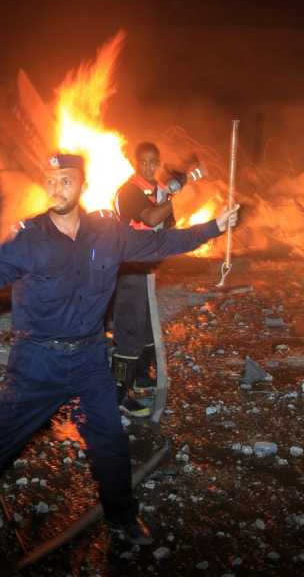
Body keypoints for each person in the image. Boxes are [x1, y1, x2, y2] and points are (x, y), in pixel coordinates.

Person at [0, 152, 239, 554]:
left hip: (89, 360)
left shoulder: (109, 232)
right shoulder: (29, 237)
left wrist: (213, 227)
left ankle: (122, 516)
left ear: (84, 186)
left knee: (110, 443)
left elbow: (159, 240)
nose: (57, 187)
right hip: (38, 362)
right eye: (51, 181)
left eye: (66, 180)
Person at [111, 142, 200, 417]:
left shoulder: (160, 190)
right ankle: (117, 396)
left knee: (148, 328)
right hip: (128, 270)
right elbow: (150, 218)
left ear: (159, 163)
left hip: (148, 270)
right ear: (137, 163)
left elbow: (167, 227)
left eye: (154, 162)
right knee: (128, 332)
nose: (149, 167)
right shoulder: (129, 191)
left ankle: (140, 378)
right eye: (144, 162)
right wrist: (174, 191)